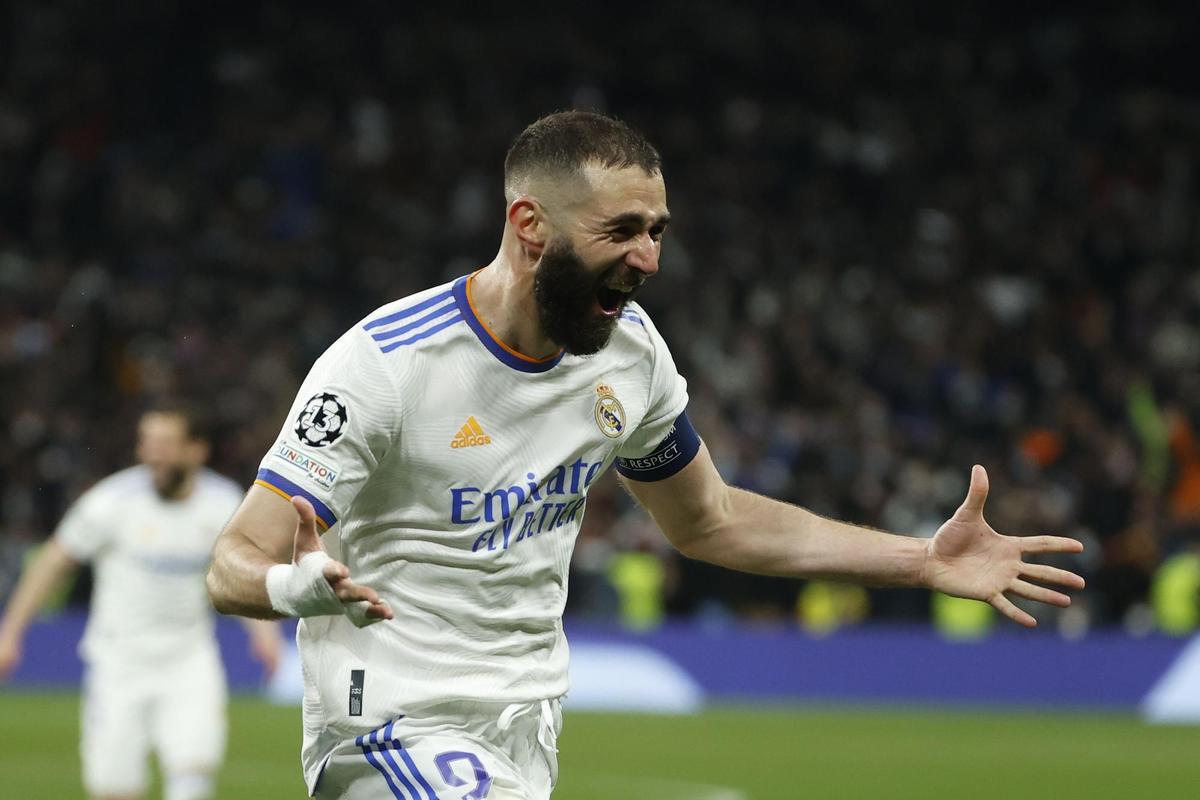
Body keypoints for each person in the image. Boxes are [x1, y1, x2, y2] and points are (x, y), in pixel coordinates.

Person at [205, 110, 1086, 799]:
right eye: (623, 230)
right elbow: (233, 561)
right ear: (530, 225)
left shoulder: (630, 354)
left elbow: (714, 522)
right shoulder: (385, 367)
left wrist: (921, 560)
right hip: (390, 724)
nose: (649, 258)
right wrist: (293, 587)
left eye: (658, 229)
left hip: (526, 721)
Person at [0, 405, 283, 800]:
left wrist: (263, 632)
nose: (154, 454)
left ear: (196, 450)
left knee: (192, 773)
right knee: (116, 788)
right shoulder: (112, 501)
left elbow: (237, 570)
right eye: (148, 443)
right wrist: (11, 631)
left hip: (189, 660)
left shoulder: (223, 502)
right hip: (118, 662)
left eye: (166, 444)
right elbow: (53, 561)